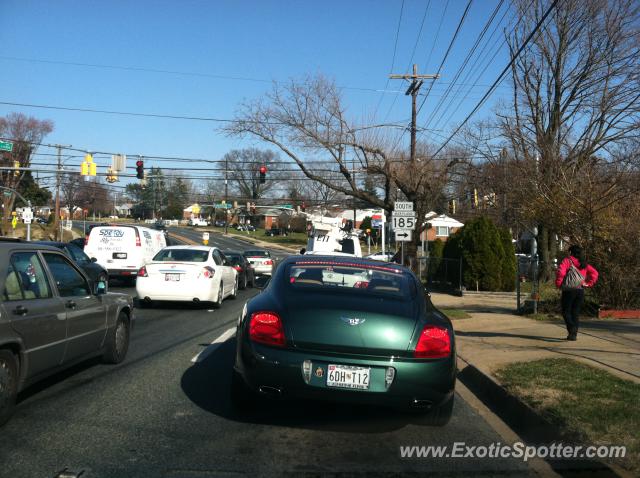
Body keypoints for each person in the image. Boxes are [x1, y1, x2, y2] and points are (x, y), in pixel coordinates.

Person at [555, 245, 598, 341]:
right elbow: (595, 273)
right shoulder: (583, 263)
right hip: (580, 290)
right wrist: (589, 283)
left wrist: (559, 284)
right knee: (575, 313)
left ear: (571, 252)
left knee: (566, 312)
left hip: (569, 290)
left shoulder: (567, 261)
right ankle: (573, 335)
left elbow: (561, 272)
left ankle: (571, 328)